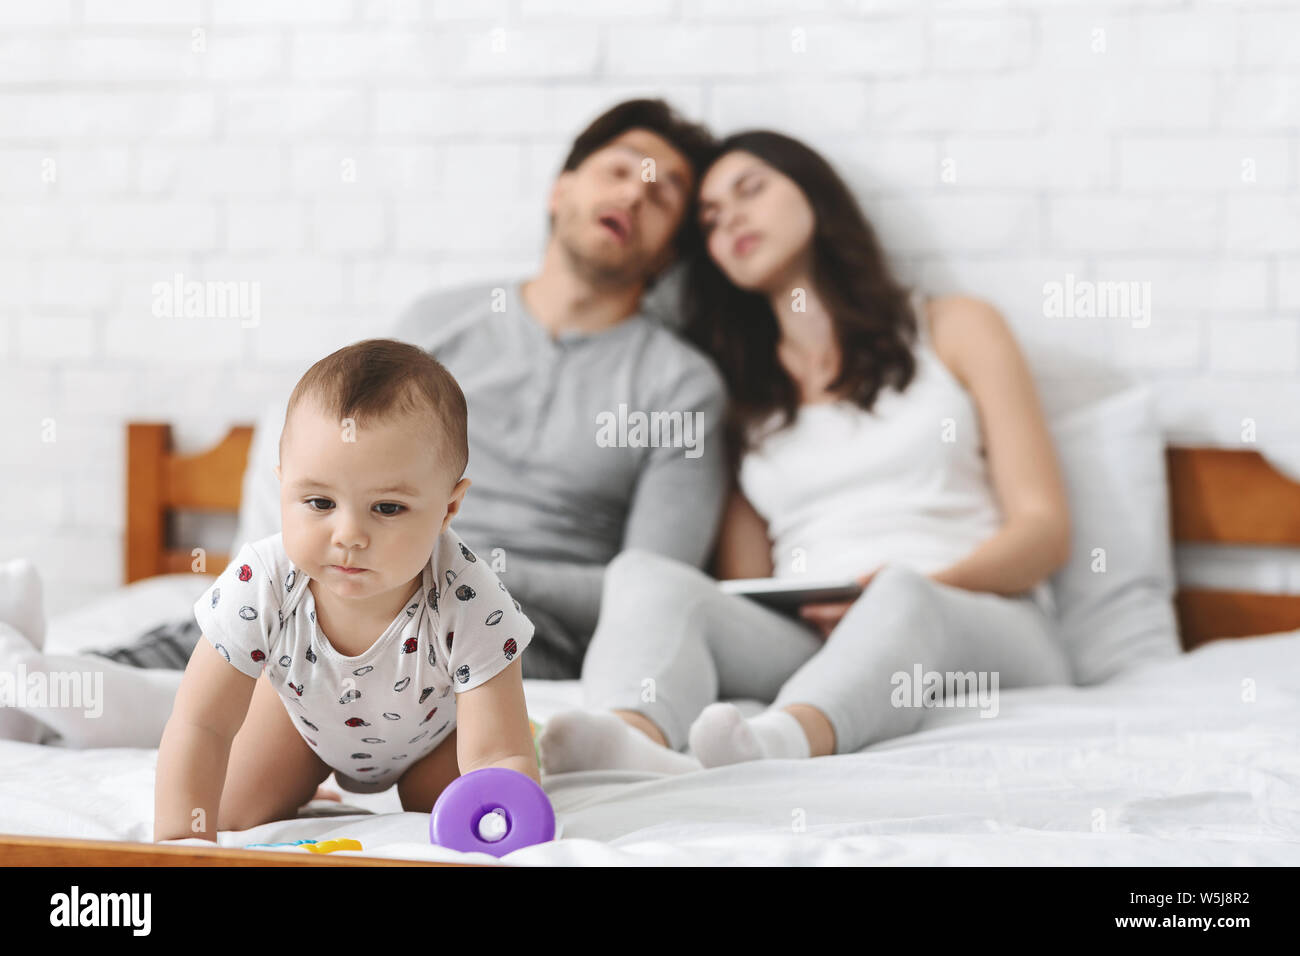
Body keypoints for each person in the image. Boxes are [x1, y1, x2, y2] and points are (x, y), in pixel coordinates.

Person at [0, 99, 729, 754]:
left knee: (374, 668)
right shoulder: (441, 323)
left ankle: (88, 699)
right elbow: (340, 460)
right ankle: (49, 687)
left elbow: (647, 587)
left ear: (671, 248)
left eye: (664, 190)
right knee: (255, 622)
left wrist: (451, 556)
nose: (637, 191)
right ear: (561, 188)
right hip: (364, 563)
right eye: (619, 171)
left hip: (512, 624)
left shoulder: (680, 384)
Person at [537, 130, 1074, 775]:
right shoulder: (737, 393)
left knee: (902, 594)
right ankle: (627, 743)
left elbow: (1044, 531)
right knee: (645, 576)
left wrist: (904, 589)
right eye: (709, 217)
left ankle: (780, 743)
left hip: (980, 618)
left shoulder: (954, 326)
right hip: (815, 638)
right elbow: (750, 579)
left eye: (751, 190)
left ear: (815, 194)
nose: (729, 216)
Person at [154, 339, 536, 841]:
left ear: (448, 508)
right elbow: (201, 724)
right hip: (304, 724)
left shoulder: (467, 596)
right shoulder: (263, 581)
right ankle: (307, 786)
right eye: (318, 502)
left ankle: (545, 739)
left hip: (437, 736)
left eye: (388, 508)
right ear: (282, 486)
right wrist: (179, 846)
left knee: (449, 811)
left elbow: (495, 753)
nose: (349, 536)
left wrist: (513, 798)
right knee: (230, 810)